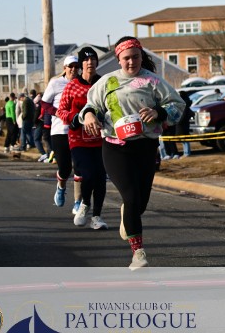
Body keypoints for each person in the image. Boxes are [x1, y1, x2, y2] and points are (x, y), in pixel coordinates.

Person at [79, 37, 185, 270]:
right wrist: (89, 116)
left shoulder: (152, 81)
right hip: (115, 147)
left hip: (146, 147)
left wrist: (158, 112)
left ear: (140, 57)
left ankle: (128, 215)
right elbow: (89, 106)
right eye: (126, 58)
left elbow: (178, 105)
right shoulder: (107, 82)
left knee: (140, 202)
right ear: (118, 59)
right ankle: (138, 253)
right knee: (131, 197)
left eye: (135, 57)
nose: (131, 62)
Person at [57, 46, 109, 230]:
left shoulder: (103, 83)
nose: (90, 62)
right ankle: (85, 204)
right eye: (86, 60)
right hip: (78, 139)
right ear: (80, 64)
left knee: (100, 177)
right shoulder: (72, 85)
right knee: (87, 174)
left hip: (100, 137)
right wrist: (74, 118)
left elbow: (112, 106)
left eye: (93, 59)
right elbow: (61, 110)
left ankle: (97, 217)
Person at [42, 55, 81, 209]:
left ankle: (78, 201)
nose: (73, 69)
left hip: (78, 131)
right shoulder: (56, 83)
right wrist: (57, 112)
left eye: (76, 66)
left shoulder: (82, 83)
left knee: (79, 167)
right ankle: (61, 187)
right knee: (65, 168)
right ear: (65, 68)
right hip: (60, 130)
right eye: (70, 66)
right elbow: (44, 104)